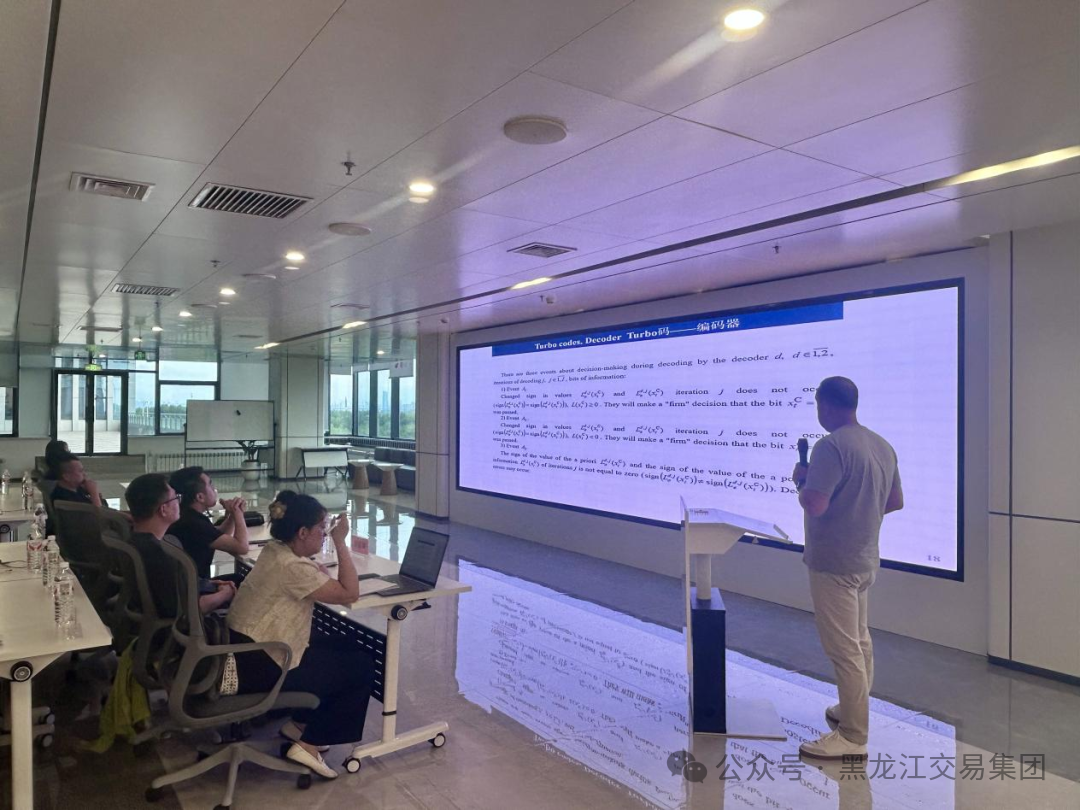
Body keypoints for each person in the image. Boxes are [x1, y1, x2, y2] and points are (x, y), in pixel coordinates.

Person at [792, 376, 903, 760]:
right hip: (864, 559)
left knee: (843, 650)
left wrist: (802, 483)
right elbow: (895, 501)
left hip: (833, 563)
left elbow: (815, 505)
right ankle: (852, 709)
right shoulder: (881, 445)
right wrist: (859, 509)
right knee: (859, 640)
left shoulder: (831, 446)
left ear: (824, 404)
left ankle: (853, 735)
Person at [227, 491, 372, 780]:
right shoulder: (292, 567)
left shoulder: (275, 550)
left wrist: (318, 569)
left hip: (247, 652)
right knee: (359, 665)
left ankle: (300, 724)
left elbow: (310, 576)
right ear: (303, 532)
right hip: (263, 666)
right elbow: (349, 593)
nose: (324, 533)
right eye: (322, 528)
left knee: (346, 644)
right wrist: (340, 542)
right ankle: (310, 745)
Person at [124, 473, 235, 617]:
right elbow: (186, 611)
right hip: (189, 626)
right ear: (163, 509)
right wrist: (225, 594)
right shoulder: (160, 556)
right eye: (175, 498)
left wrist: (207, 584)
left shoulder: (133, 541)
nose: (179, 503)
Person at [167, 467, 250, 580]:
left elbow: (218, 535)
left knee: (238, 578)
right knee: (244, 581)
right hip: (197, 586)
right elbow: (242, 547)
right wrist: (238, 512)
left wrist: (231, 514)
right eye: (210, 485)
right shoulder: (194, 524)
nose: (214, 488)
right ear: (200, 497)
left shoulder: (187, 516)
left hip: (187, 583)